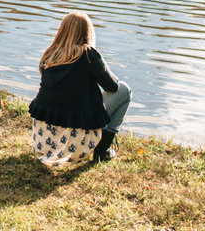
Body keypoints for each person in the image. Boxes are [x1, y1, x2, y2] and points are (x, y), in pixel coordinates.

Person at [28, 11, 131, 165]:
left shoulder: (50, 54)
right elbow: (113, 86)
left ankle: (100, 149)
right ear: (87, 33)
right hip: (74, 145)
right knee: (124, 90)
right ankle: (102, 151)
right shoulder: (88, 54)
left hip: (43, 143)